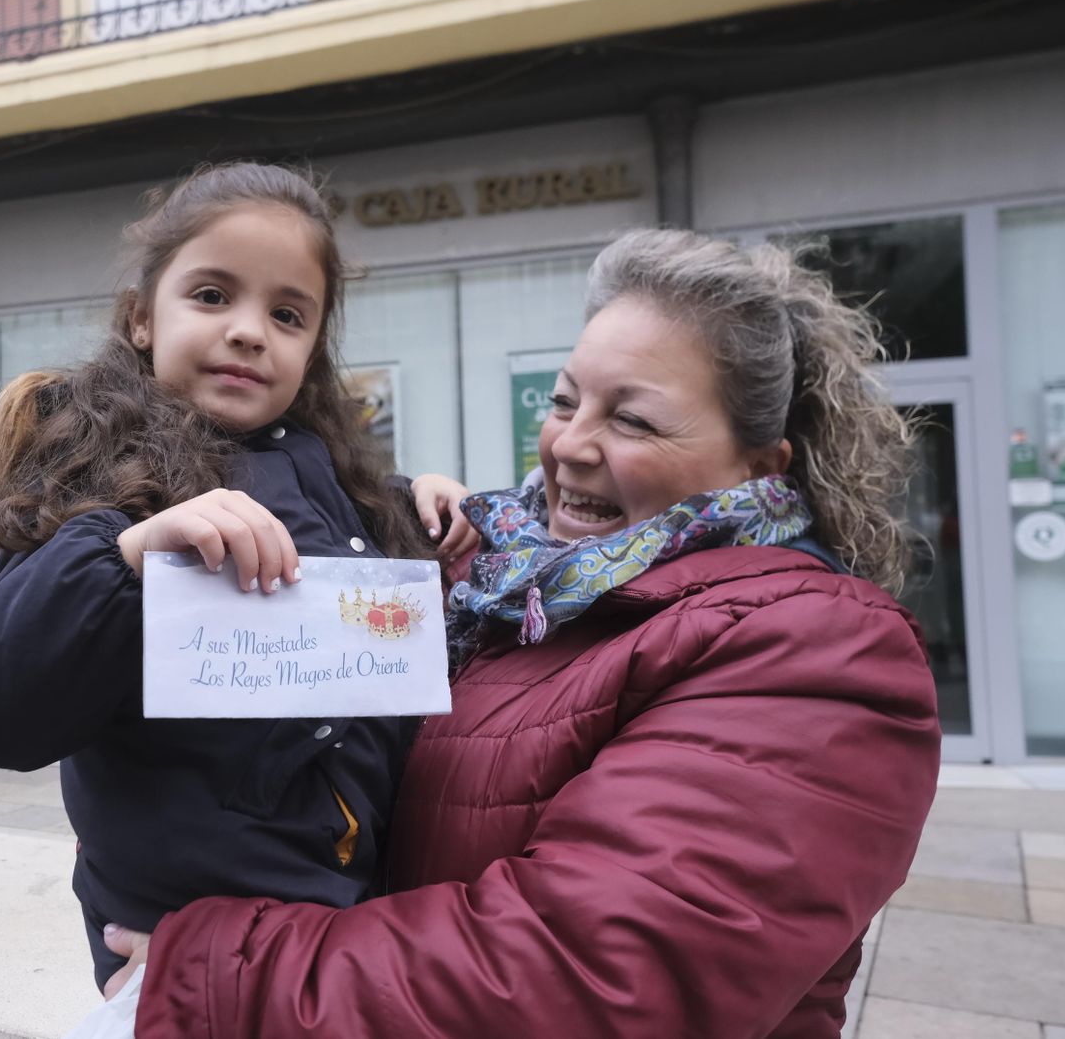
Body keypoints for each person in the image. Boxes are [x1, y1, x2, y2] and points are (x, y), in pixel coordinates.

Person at [104, 229, 944, 1038]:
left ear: (761, 467)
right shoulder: (507, 589)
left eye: (635, 422)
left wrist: (220, 978)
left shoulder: (821, 649)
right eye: (566, 401)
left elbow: (593, 974)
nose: (568, 447)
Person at [0, 162, 465, 990]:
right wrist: (124, 555)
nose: (251, 331)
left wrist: (420, 504)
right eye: (213, 296)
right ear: (142, 319)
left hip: (340, 942)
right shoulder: (91, 484)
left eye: (288, 314)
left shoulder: (343, 485)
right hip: (178, 956)